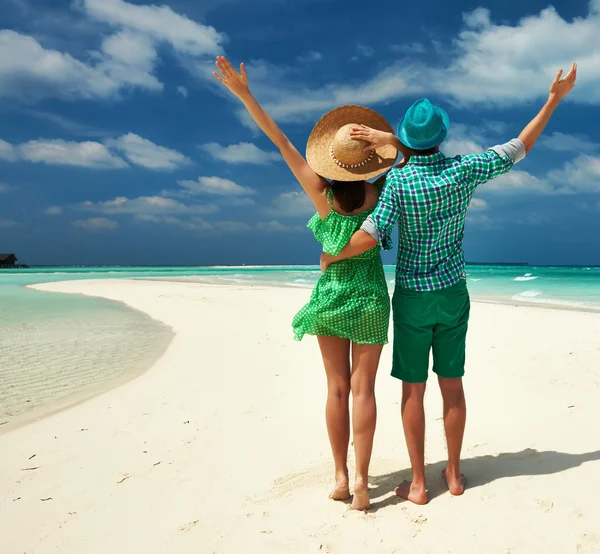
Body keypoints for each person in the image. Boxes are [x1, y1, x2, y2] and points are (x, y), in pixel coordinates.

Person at [320, 63, 578, 505]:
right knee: (452, 384)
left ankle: (419, 484)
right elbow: (521, 146)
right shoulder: (464, 170)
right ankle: (455, 475)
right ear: (442, 136)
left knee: (413, 390)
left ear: (405, 141)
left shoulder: (398, 180)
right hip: (453, 292)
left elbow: (372, 233)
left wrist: (334, 254)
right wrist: (554, 97)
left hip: (414, 297)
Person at [213, 56, 399, 510]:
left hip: (331, 297)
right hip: (371, 298)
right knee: (363, 390)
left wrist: (245, 94)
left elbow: (279, 141)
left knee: (335, 389)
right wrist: (386, 140)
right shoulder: (384, 191)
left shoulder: (322, 193)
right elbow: (408, 153)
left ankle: (339, 476)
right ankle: (361, 481)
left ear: (333, 161)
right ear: (370, 160)